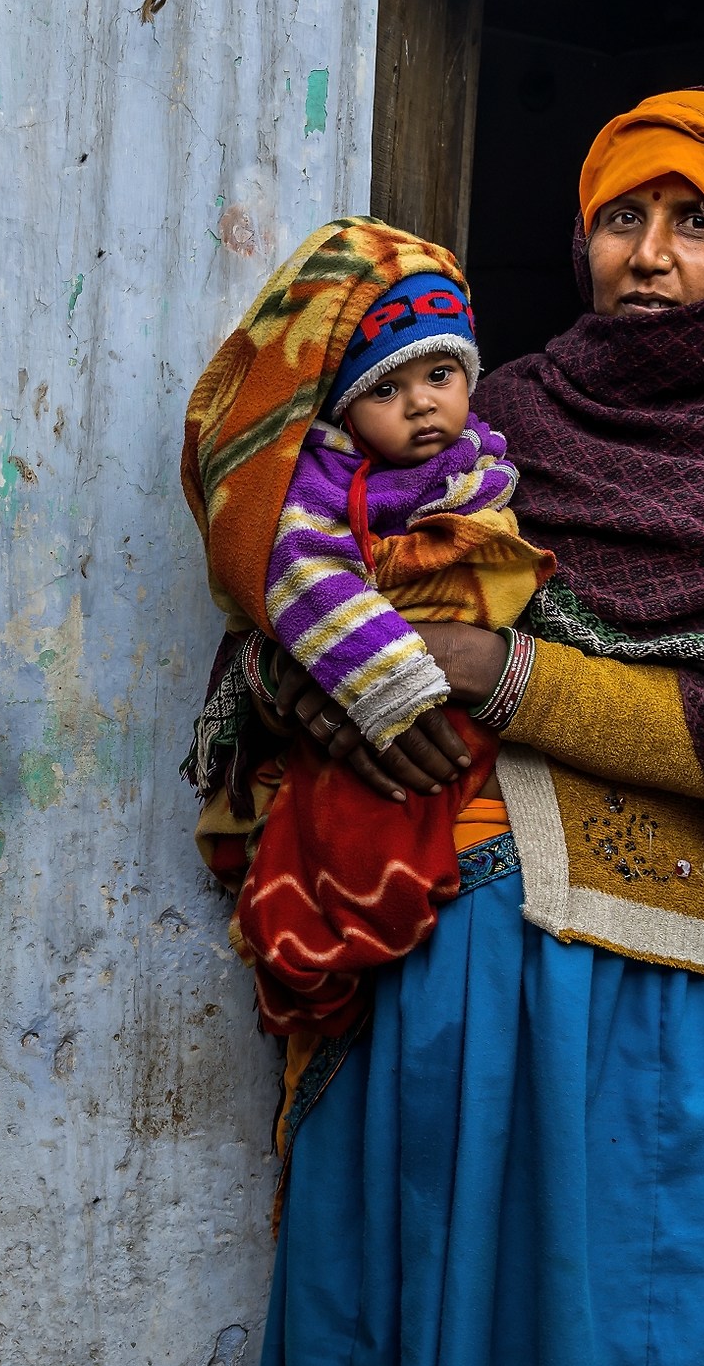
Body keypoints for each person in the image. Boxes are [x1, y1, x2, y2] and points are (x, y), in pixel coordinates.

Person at [183, 88, 704, 1366]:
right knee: (391, 1336)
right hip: (431, 977)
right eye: (622, 216)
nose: (651, 252)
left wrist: (496, 671)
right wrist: (287, 679)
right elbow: (313, 591)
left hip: (642, 1000)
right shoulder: (501, 409)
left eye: (697, 219)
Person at [184, 242, 553, 1057]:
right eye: (385, 389)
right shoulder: (324, 477)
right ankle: (321, 951)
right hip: (384, 691)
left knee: (418, 827)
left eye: (440, 376)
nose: (421, 406)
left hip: (468, 723)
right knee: (346, 834)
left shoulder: (484, 448)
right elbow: (303, 572)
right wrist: (393, 679)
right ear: (343, 406)